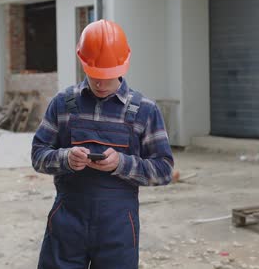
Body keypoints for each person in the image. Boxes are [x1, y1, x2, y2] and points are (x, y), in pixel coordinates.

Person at [31, 19, 174, 269]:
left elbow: (164, 170)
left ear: (123, 65)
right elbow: (38, 155)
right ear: (82, 61)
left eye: (106, 76)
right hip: (68, 221)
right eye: (94, 75)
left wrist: (121, 163)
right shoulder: (63, 104)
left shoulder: (145, 111)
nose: (99, 83)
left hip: (117, 226)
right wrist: (66, 158)